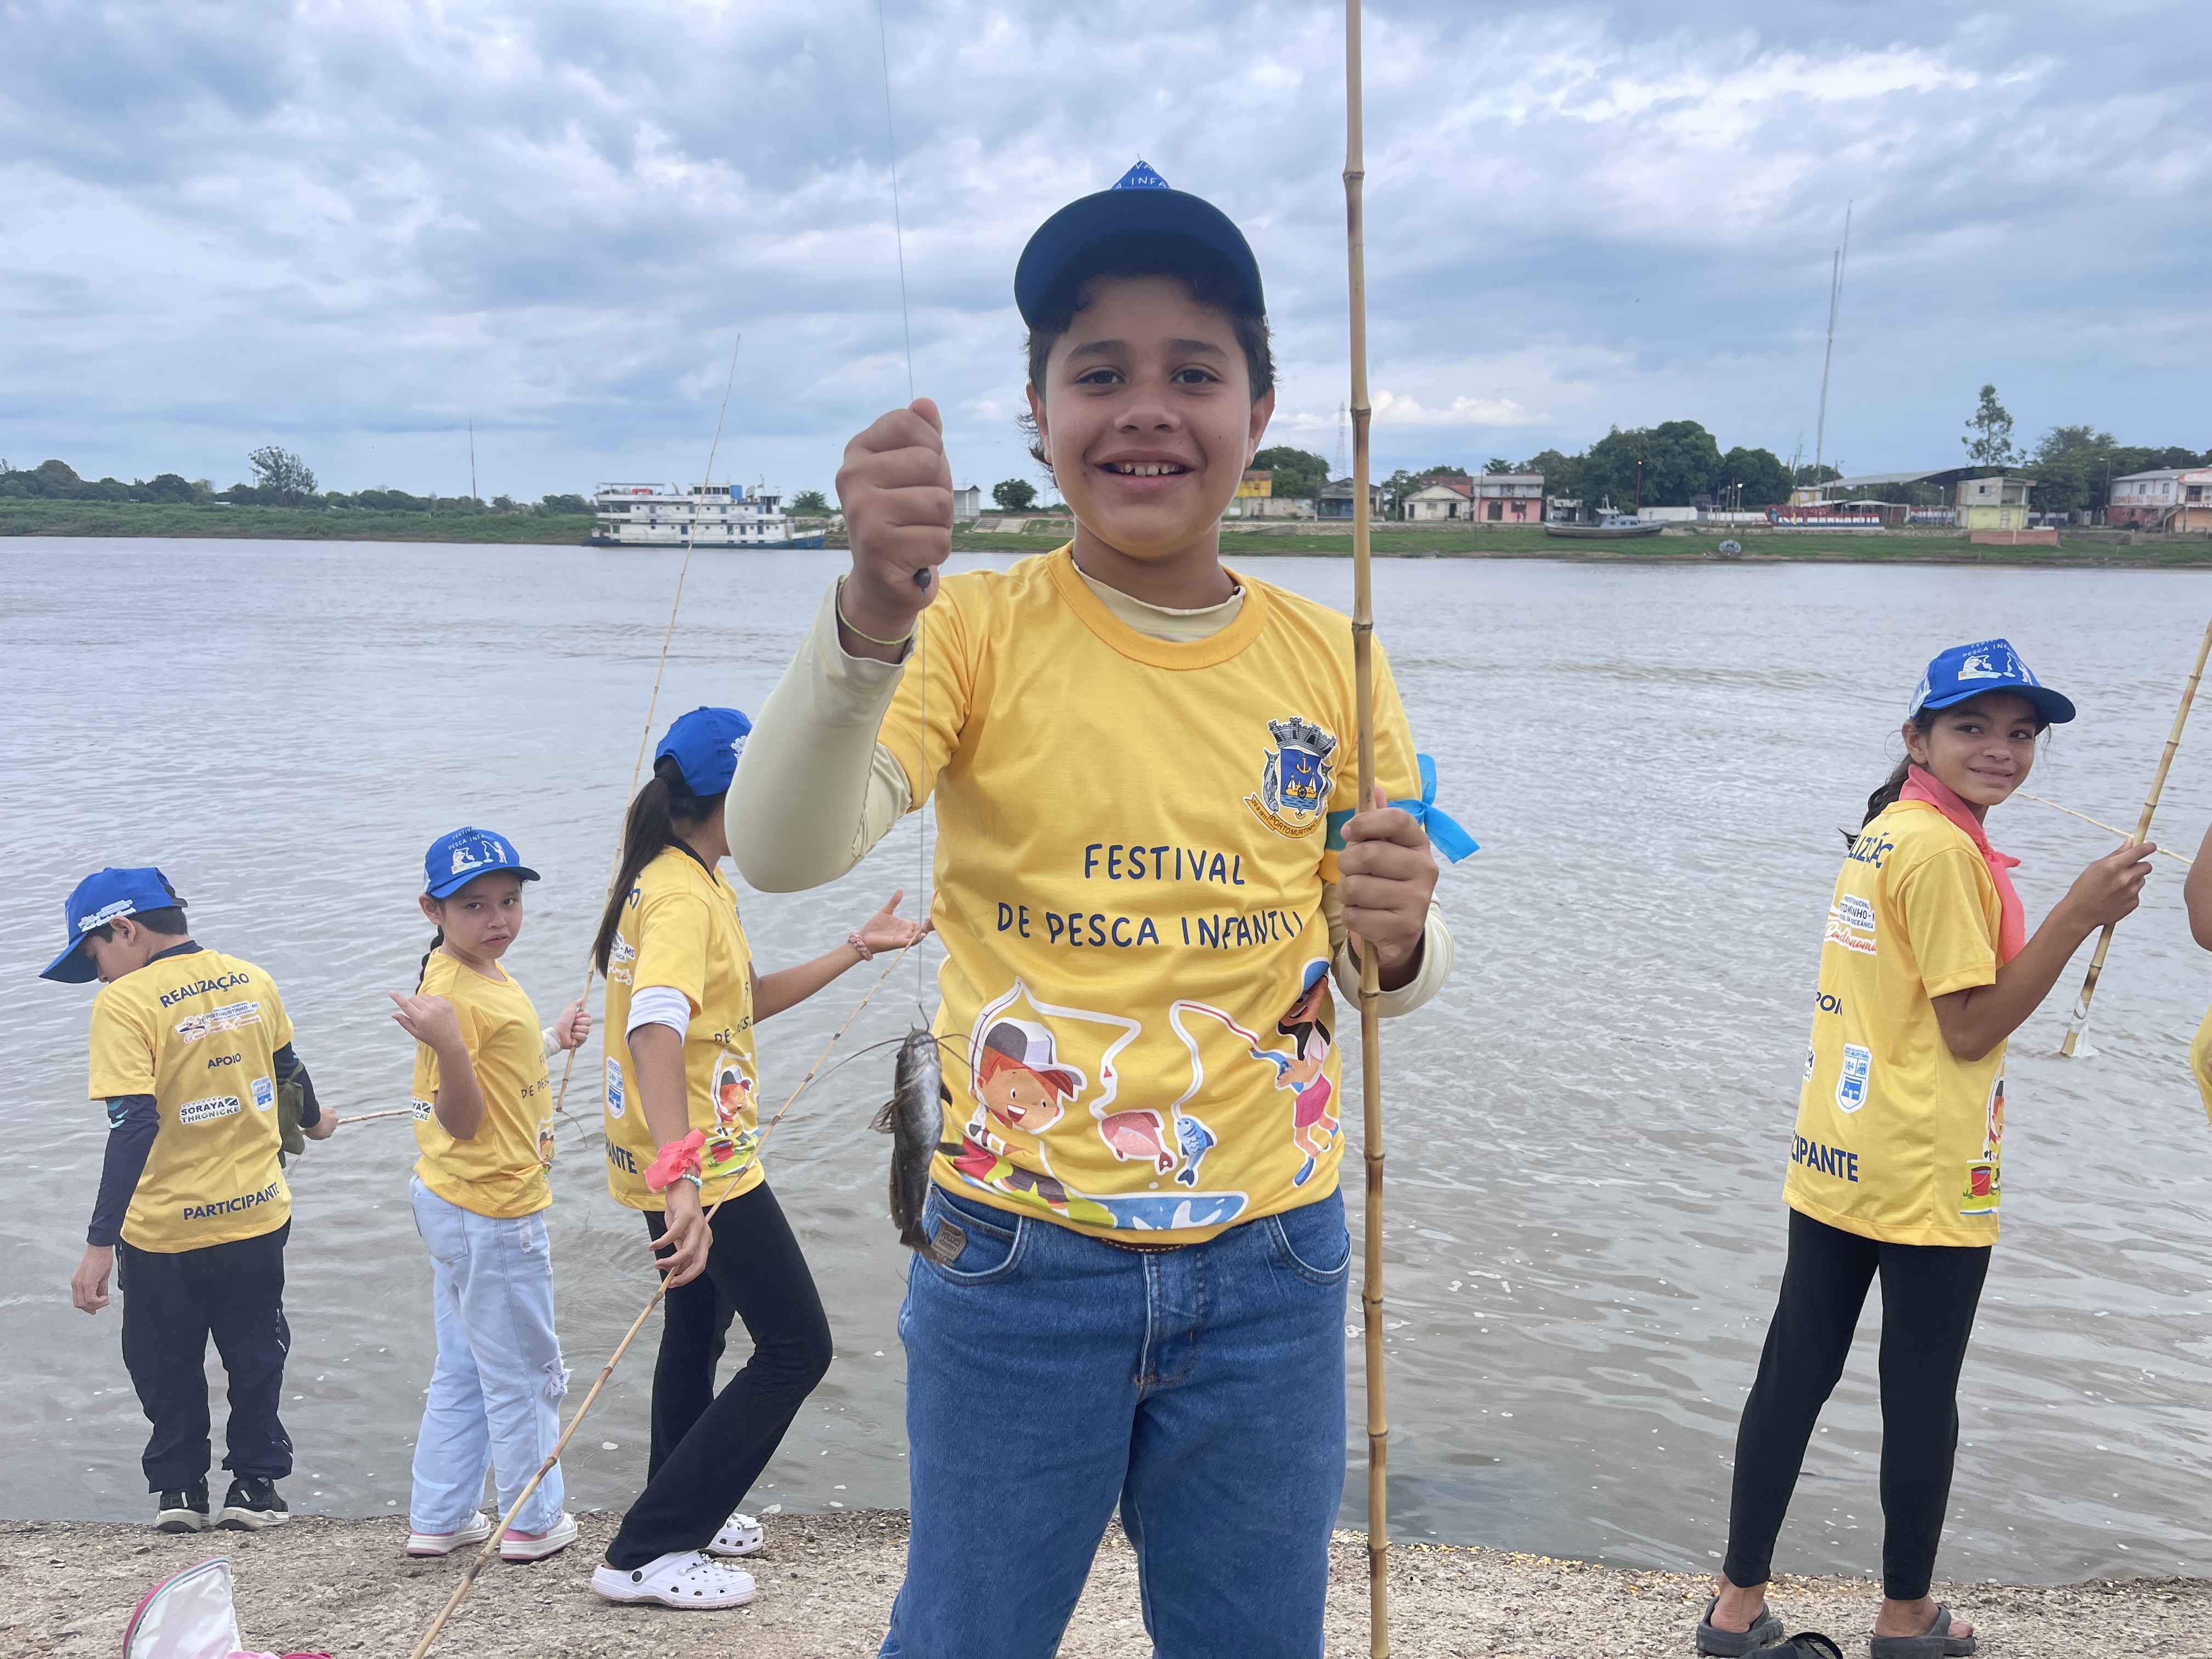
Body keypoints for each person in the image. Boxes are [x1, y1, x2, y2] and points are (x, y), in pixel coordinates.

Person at [729, 163, 1470, 1658]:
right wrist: (871, 611)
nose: (1146, 407)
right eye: (1099, 373)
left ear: (1259, 417)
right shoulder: (971, 626)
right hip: (1015, 1256)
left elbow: (1382, 968)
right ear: (1038, 415)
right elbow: (783, 846)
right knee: (965, 1636)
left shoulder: (1340, 654)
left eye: (1195, 372)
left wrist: (1401, 933)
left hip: (1277, 1256)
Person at [1698, 640, 2156, 1659]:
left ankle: (1734, 1607)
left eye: (2021, 731)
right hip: (1925, 1157)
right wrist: (2080, 912)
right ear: (1916, 736)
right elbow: (1969, 1024)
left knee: (1792, 1370)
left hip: (1834, 1143)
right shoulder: (1944, 852)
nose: (2002, 749)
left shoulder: (1887, 830)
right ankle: (1905, 1619)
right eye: (1971, 727)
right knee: (1918, 1393)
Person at [588, 706, 929, 1610]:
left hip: (680, 1152)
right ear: (727, 798)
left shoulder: (679, 876)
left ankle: (678, 1502)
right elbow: (653, 1024)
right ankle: (647, 1549)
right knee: (797, 1344)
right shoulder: (678, 895)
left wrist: (855, 948)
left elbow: (728, 1004)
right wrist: (683, 1180)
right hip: (702, 1164)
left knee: (696, 1330)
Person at [45, 866, 336, 1533]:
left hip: (163, 1230)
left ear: (123, 928)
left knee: (163, 1359)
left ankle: (180, 1494)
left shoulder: (123, 1003)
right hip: (258, 1214)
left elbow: (134, 1123)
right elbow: (289, 1069)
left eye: (94, 958)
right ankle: (255, 1488)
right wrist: (318, 1122)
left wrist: (97, 1248)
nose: (99, 976)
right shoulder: (251, 977)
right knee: (256, 1351)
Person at [386, 827, 592, 1563]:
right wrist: (442, 1044)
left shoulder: (472, 973)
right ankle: (534, 1522)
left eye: (509, 900)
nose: (498, 918)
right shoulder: (448, 996)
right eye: (473, 905)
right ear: (432, 911)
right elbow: (462, 1117)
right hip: (492, 1206)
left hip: (450, 1198)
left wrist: (550, 1039)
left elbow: (493, 1059)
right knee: (528, 1371)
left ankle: (440, 1517)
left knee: (468, 1364)